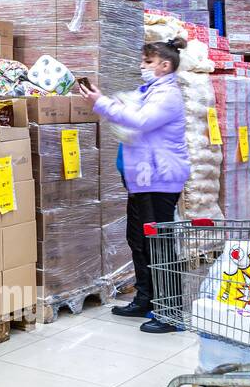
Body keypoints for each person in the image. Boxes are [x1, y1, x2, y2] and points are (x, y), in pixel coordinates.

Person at [79, 38, 191, 334]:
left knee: (160, 245)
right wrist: (101, 99)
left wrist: (101, 105)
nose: (142, 66)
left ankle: (170, 312)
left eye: (149, 62)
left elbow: (140, 121)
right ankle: (146, 299)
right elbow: (127, 106)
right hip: (142, 179)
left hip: (160, 181)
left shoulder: (168, 95)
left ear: (165, 66)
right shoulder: (148, 91)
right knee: (138, 241)